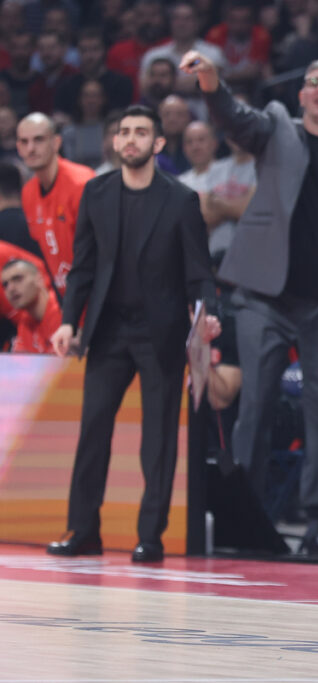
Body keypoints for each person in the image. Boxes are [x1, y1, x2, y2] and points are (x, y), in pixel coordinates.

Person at [182, 52, 318, 560]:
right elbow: (233, 118)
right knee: (255, 406)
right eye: (313, 81)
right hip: (265, 297)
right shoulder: (277, 129)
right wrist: (212, 81)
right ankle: (245, 515)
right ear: (302, 95)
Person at [46, 105, 219, 562]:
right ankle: (84, 530)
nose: (131, 140)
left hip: (160, 332)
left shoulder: (181, 200)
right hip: (107, 330)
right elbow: (82, 267)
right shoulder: (96, 193)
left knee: (158, 438)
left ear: (158, 144)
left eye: (141, 133)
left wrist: (208, 315)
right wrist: (69, 321)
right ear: (114, 140)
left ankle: (151, 537)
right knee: (92, 431)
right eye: (124, 132)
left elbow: (200, 272)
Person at [16, 111, 95, 295]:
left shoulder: (82, 183)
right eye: (24, 142)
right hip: (62, 295)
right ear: (18, 147)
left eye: (38, 140)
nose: (31, 148)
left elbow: (99, 250)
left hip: (94, 294)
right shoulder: (28, 192)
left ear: (56, 143)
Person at [1, 257, 61, 353]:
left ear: (39, 279)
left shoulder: (63, 312)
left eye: (17, 279)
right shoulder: (25, 322)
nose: (10, 289)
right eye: (5, 284)